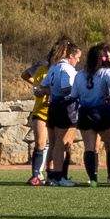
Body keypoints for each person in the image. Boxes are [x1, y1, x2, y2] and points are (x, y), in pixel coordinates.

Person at [72, 43, 110, 186]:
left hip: (85, 112)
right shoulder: (105, 72)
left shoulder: (80, 75)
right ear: (101, 58)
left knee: (89, 147)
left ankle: (93, 179)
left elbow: (74, 95)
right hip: (102, 111)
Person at [22, 39, 66, 185]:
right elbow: (37, 89)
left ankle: (51, 175)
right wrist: (38, 88)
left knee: (55, 144)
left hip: (56, 111)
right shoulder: (42, 69)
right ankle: (35, 175)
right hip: (41, 111)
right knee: (40, 142)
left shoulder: (64, 70)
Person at [39, 40, 82, 186]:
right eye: (77, 57)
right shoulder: (67, 69)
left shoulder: (53, 68)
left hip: (53, 107)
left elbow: (43, 87)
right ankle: (59, 177)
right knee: (62, 144)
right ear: (70, 56)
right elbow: (66, 88)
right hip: (66, 108)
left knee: (54, 143)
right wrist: (80, 91)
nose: (78, 60)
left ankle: (51, 175)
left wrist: (52, 91)